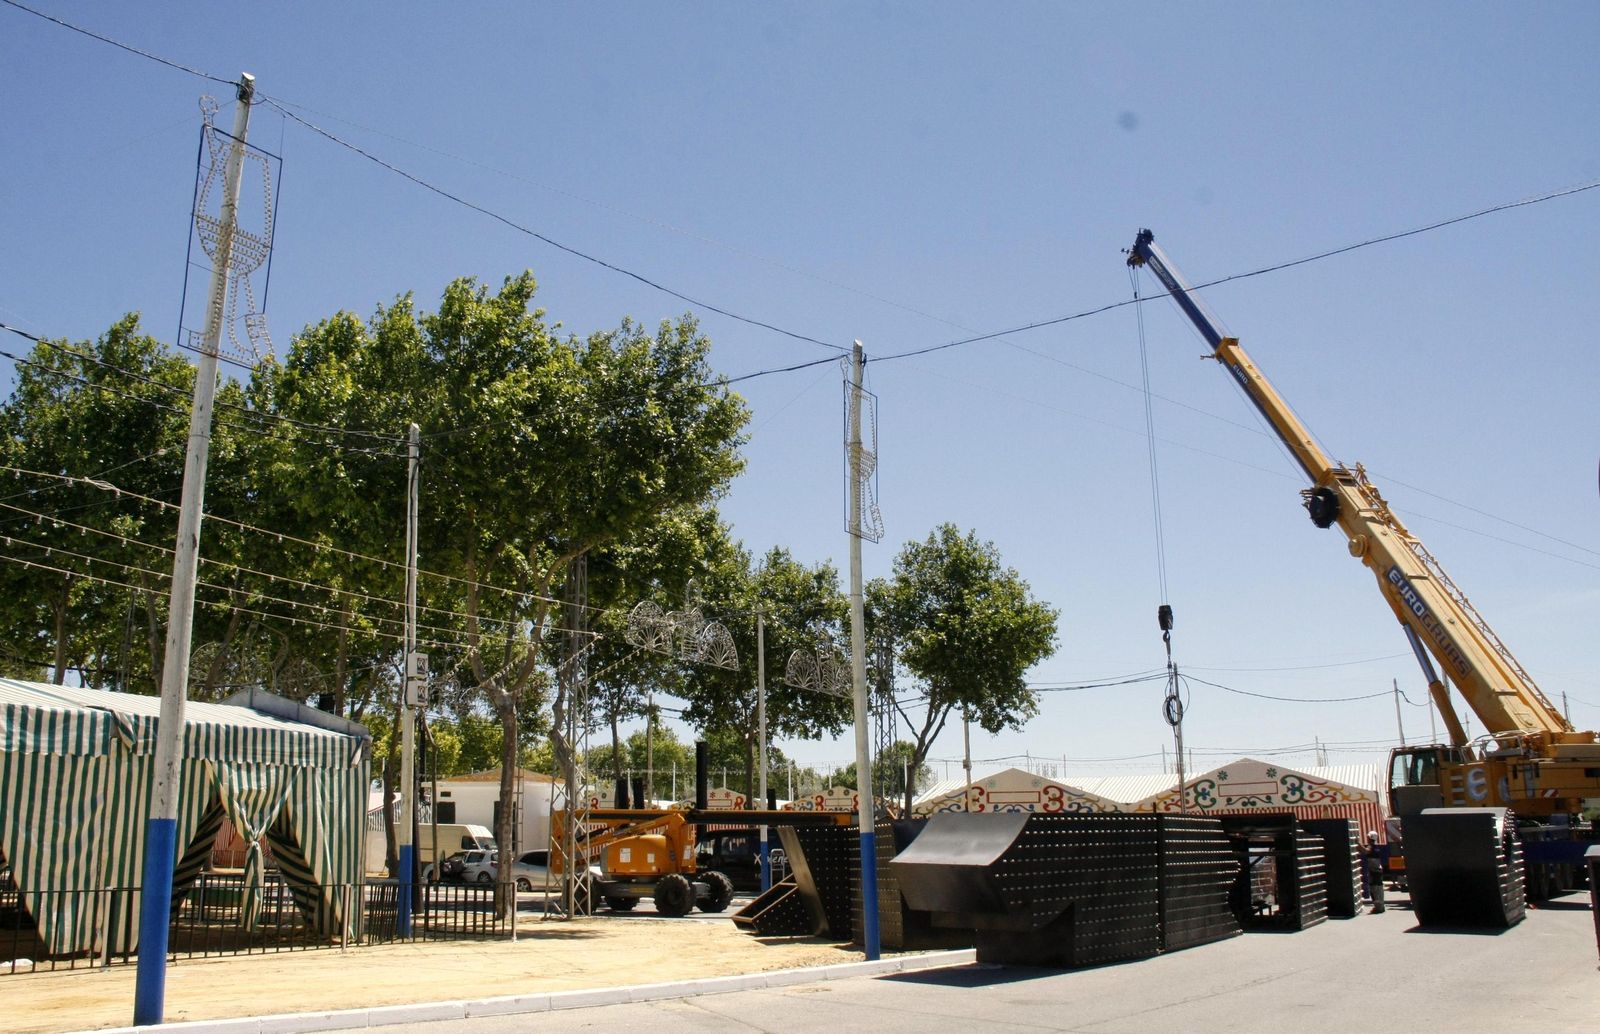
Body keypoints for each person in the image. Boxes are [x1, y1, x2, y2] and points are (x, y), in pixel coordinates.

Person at [1364, 830, 1386, 913]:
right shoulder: (1376, 846)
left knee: (1374, 888)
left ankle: (1378, 907)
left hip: (1374, 870)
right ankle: (1380, 906)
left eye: (1368, 837)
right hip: (1377, 870)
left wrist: (1358, 844)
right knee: (1379, 888)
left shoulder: (1371, 846)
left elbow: (1366, 851)